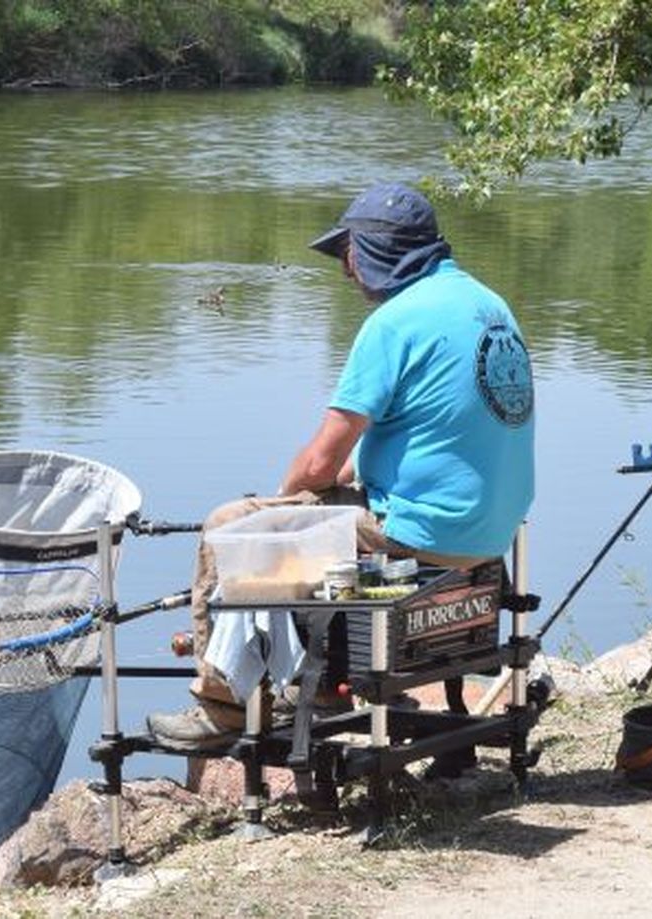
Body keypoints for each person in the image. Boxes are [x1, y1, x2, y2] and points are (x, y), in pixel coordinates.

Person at [146, 181, 536, 750]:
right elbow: (438, 427)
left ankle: (222, 707)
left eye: (347, 256)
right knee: (311, 516)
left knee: (231, 524)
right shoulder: (487, 304)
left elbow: (319, 461)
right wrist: (346, 478)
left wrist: (287, 503)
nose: (347, 273)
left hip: (419, 534)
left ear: (370, 252)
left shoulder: (395, 322)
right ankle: (327, 686)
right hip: (491, 532)